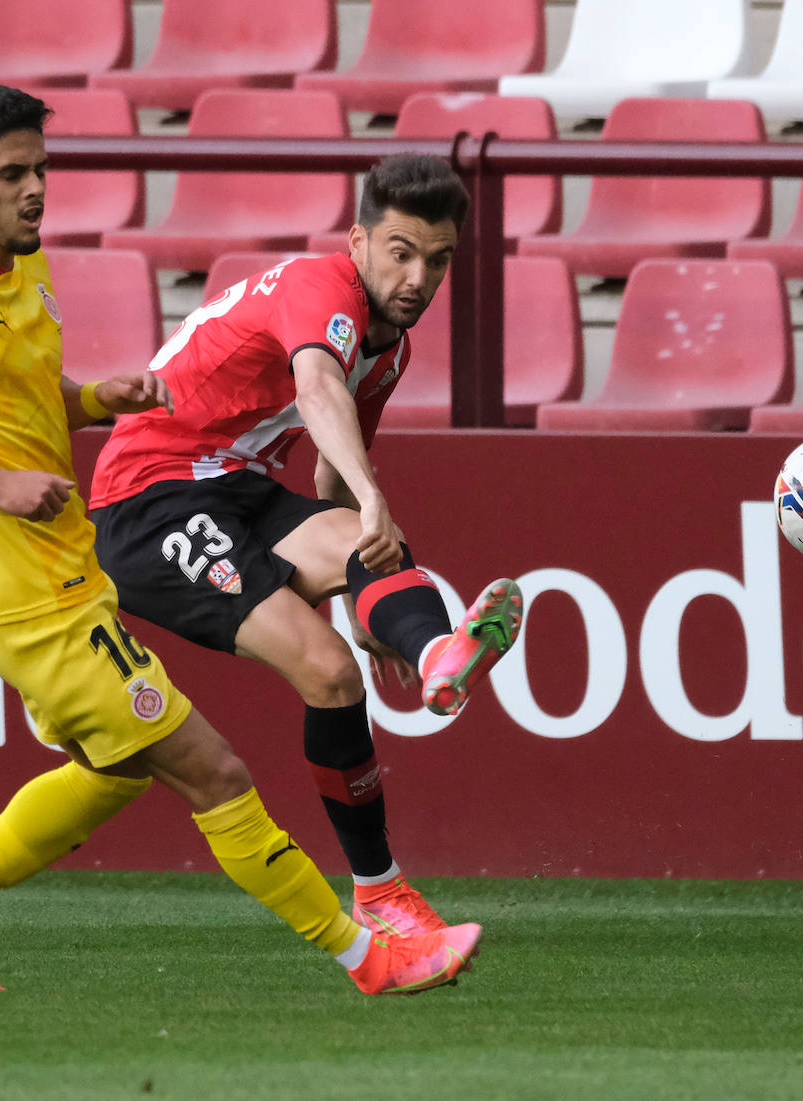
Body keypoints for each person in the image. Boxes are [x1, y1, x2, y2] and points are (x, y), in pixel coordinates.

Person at [0, 84, 480, 995]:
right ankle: (374, 952)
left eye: (41, 170)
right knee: (214, 769)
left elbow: (20, 396)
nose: (36, 190)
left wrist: (98, 399)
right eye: (12, 174)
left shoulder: (22, 272)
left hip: (88, 550)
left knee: (111, 771)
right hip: (45, 574)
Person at [87, 152, 525, 938]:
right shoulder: (321, 288)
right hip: (146, 496)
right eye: (400, 252)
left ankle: (434, 660)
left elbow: (332, 462)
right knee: (328, 669)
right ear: (357, 241)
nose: (419, 276)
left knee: (372, 550)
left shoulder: (390, 346)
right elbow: (318, 388)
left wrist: (360, 587)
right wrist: (372, 501)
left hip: (233, 487)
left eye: (438, 259)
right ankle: (381, 892)